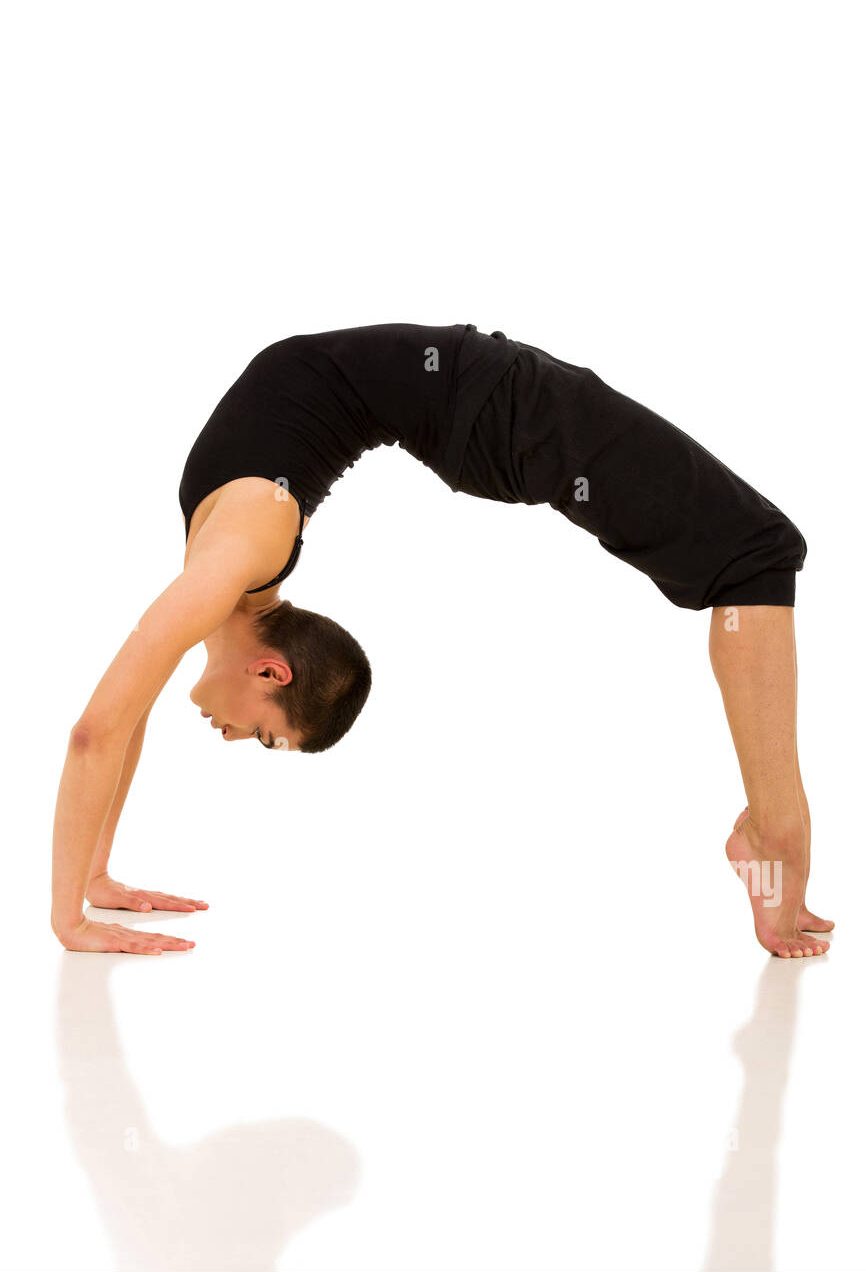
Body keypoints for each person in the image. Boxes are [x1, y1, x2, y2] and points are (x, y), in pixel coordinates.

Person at [51, 323, 831, 959]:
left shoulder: (231, 562)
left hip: (489, 401)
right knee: (750, 551)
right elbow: (119, 720)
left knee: (753, 553)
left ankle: (775, 825)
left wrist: (74, 912)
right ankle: (772, 828)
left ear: (271, 668)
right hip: (483, 402)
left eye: (262, 736)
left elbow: (99, 730)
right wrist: (89, 881)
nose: (234, 737)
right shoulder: (225, 575)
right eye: (261, 737)